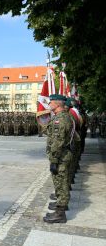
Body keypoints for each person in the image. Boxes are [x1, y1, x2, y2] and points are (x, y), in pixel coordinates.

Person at [44, 94, 74, 224]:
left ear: (57, 104)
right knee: (61, 183)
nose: (49, 104)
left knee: (61, 184)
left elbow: (58, 141)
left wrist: (54, 160)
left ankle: (60, 214)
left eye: (51, 102)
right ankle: (60, 207)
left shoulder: (60, 120)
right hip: (62, 155)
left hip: (60, 157)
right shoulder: (61, 117)